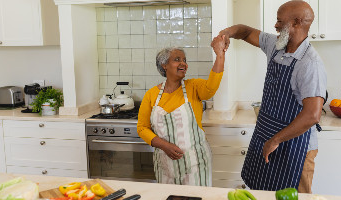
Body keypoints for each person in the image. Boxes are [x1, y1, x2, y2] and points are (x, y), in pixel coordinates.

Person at [218, 0, 327, 193]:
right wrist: (226, 33)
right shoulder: (276, 45)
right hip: (266, 135)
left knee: (295, 195)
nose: (275, 25)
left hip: (296, 147)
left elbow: (312, 115)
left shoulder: (310, 64)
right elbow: (244, 31)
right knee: (263, 192)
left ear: (296, 23)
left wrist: (275, 140)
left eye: (279, 21)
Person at [137, 35, 226, 186]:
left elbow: (211, 87)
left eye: (184, 60)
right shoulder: (151, 94)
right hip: (165, 164)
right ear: (164, 65)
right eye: (177, 59)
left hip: (195, 163)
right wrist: (164, 145)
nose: (183, 63)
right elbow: (142, 128)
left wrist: (220, 55)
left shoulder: (194, 87)